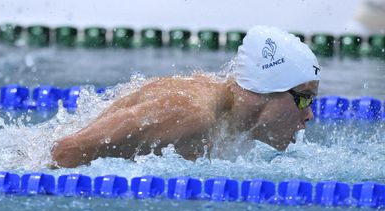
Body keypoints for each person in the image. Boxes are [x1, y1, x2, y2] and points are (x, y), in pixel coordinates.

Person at [51, 26, 320, 168]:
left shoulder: (232, 119)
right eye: (305, 98)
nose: (309, 115)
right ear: (267, 89)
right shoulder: (190, 113)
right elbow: (67, 151)